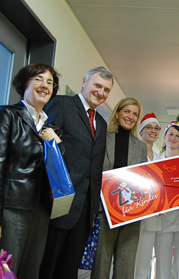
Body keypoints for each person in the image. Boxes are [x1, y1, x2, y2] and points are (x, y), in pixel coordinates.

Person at [39, 66, 114, 279]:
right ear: (84, 82)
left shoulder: (101, 122)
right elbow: (46, 146)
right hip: (58, 204)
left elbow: (96, 168)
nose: (101, 92)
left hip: (84, 212)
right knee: (47, 265)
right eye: (97, 85)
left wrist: (92, 211)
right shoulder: (62, 104)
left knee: (69, 269)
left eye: (106, 90)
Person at [0, 63, 61, 279]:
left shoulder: (49, 127)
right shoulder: (7, 115)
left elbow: (57, 172)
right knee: (7, 270)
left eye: (50, 82)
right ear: (24, 82)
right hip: (12, 208)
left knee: (30, 271)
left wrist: (56, 147)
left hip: (41, 210)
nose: (45, 86)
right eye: (38, 79)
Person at [91, 97, 147, 278]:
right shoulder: (101, 138)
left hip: (131, 212)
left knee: (126, 265)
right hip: (104, 210)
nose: (131, 117)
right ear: (117, 113)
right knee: (101, 264)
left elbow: (143, 180)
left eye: (135, 114)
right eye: (127, 111)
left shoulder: (140, 146)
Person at [152, 121, 179, 279]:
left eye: (178, 135)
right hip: (162, 220)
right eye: (170, 134)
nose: (173, 138)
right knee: (163, 266)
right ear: (164, 136)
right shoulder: (155, 162)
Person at [134, 112, 162, 279]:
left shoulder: (159, 159)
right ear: (141, 131)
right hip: (134, 212)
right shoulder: (133, 152)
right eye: (149, 127)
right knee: (131, 256)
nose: (153, 131)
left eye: (156, 128)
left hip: (153, 214)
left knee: (145, 257)